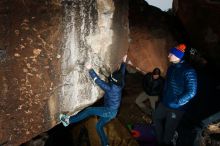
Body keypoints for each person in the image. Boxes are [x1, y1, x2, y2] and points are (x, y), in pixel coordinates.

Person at [59, 56, 127, 146]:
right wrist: (124, 62)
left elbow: (98, 81)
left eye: (111, 77)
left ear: (114, 81)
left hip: (109, 111)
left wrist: (90, 69)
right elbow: (122, 73)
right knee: (99, 126)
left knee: (89, 110)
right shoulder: (121, 83)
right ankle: (105, 144)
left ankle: (68, 121)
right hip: (113, 111)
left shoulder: (111, 88)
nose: (110, 77)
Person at [153, 43, 197, 146]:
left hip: (176, 108)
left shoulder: (189, 71)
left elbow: (192, 91)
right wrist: (163, 95)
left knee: (169, 129)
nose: (168, 55)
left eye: (171, 54)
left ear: (177, 56)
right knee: (156, 117)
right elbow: (167, 83)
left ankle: (165, 143)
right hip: (165, 102)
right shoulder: (171, 67)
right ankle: (159, 141)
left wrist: (178, 101)